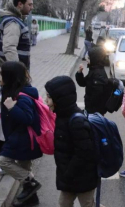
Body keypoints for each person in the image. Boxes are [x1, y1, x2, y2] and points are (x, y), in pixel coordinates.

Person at [45, 76, 102, 207]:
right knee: (64, 203)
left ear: (60, 99)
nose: (46, 101)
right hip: (69, 176)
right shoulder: (62, 116)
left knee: (87, 204)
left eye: (49, 97)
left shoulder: (76, 121)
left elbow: (85, 153)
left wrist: (68, 173)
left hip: (83, 176)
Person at [0, 62, 42, 206]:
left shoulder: (22, 96)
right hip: (19, 138)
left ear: (10, 76)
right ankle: (31, 199)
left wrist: (11, 108)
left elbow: (27, 118)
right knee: (24, 168)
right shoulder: (10, 90)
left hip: (23, 139)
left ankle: (31, 183)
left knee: (3, 162)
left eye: (0, 74)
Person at [0, 0, 34, 70]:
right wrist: (17, 72)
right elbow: (9, 48)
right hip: (11, 73)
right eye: (29, 5)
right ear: (20, 4)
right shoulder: (13, 22)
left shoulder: (13, 19)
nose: (32, 7)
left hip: (7, 70)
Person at [76, 46, 111, 115]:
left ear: (95, 59)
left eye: (89, 58)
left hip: (95, 111)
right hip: (91, 109)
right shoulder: (93, 70)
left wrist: (89, 110)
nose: (87, 60)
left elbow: (97, 95)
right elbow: (83, 83)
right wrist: (79, 73)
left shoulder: (98, 74)